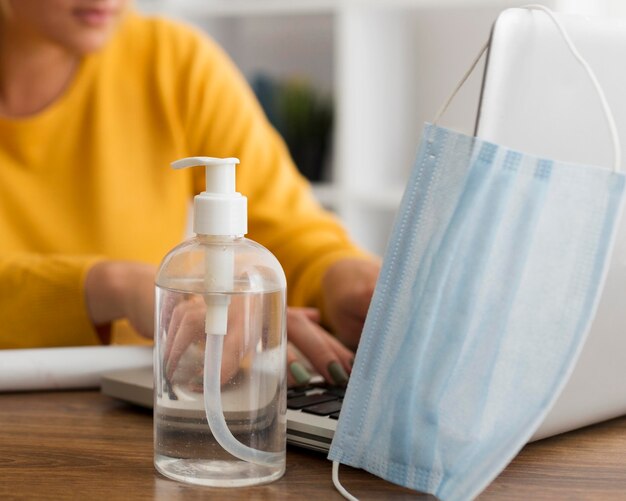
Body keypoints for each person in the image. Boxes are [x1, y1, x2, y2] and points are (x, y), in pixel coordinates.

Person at [0, 0, 380, 387]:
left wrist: (336, 274)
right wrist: (110, 286)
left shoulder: (173, 61)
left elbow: (281, 222)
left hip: (143, 396)